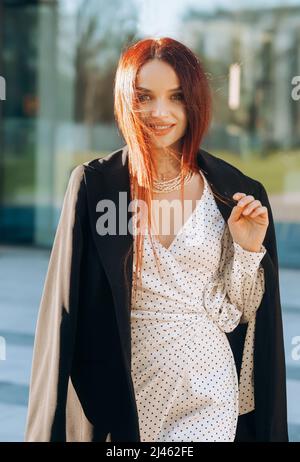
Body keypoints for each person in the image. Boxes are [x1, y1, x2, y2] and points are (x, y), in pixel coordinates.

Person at [25, 37, 288, 442]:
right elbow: (62, 314)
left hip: (209, 389)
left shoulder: (233, 190)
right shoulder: (96, 186)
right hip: (123, 400)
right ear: (125, 101)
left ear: (195, 101)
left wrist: (247, 250)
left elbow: (241, 311)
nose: (159, 113)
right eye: (144, 97)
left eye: (176, 97)